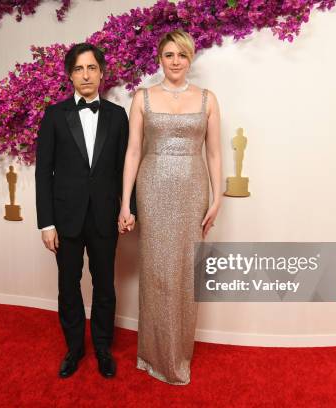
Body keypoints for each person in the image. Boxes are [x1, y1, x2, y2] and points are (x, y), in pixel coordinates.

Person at [118, 29, 222, 385]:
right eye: (168, 55)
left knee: (185, 273)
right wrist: (124, 203)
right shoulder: (142, 98)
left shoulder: (208, 99)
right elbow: (133, 152)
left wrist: (218, 196)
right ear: (159, 58)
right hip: (154, 186)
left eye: (181, 55)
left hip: (193, 190)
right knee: (157, 270)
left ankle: (179, 355)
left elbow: (213, 152)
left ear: (190, 58)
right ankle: (153, 355)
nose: (175, 61)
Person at [35, 43, 136, 379]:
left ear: (102, 72)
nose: (86, 75)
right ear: (70, 76)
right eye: (79, 69)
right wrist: (46, 222)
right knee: (69, 286)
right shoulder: (54, 116)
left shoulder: (118, 115)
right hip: (65, 219)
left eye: (92, 68)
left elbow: (126, 167)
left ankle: (103, 348)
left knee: (105, 285)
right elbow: (42, 172)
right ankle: (75, 348)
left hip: (106, 216)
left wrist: (128, 208)